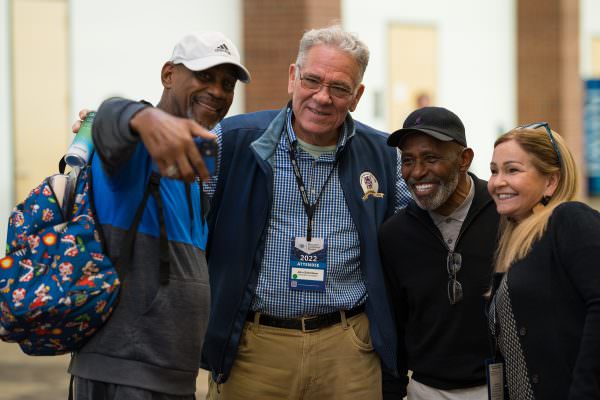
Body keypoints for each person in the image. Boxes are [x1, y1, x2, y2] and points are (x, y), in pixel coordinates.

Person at [92, 25, 412, 399]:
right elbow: (168, 190)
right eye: (312, 80)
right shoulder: (233, 140)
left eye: (339, 88)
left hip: (348, 349)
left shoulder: (384, 156)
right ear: (293, 77)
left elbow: (420, 228)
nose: (322, 97)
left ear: (356, 96)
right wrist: (126, 119)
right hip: (253, 348)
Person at [68, 32, 250, 399]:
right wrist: (145, 116)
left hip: (171, 376)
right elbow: (110, 117)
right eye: (204, 76)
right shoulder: (134, 147)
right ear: (168, 75)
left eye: (227, 84)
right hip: (123, 374)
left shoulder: (192, 166)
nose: (217, 91)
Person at [379, 106, 500, 399]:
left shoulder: (505, 215)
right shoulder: (394, 235)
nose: (417, 172)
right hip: (423, 389)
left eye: (431, 158)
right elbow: (394, 322)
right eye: (408, 160)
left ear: (464, 159)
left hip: (499, 385)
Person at [487, 124, 600, 399]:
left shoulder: (569, 219)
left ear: (551, 181)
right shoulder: (512, 240)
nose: (498, 182)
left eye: (512, 170)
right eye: (493, 171)